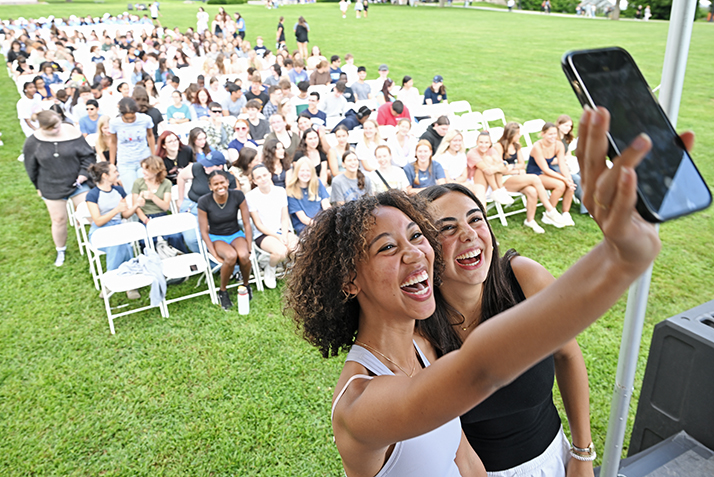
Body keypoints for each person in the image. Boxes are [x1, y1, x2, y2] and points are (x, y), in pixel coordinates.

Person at [284, 106, 671, 477]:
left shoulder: (419, 352)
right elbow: (481, 370)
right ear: (349, 280)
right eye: (387, 247)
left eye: (417, 236)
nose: (416, 253)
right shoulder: (360, 405)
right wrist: (618, 261)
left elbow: (467, 462)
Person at [421, 182, 593, 476]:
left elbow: (568, 356)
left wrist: (581, 453)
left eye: (476, 219)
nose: (469, 234)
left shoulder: (524, 279)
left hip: (553, 460)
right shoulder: (420, 324)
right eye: (447, 228)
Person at [23, 111, 95, 267]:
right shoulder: (32, 142)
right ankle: (61, 250)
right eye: (54, 128)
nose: (58, 129)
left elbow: (88, 156)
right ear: (44, 127)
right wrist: (38, 187)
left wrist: (84, 173)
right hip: (51, 186)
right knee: (59, 220)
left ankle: (98, 243)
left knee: (90, 213)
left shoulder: (72, 133)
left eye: (59, 125)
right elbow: (31, 168)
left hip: (77, 183)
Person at [492, 123, 568, 231]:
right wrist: (516, 171)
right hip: (503, 180)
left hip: (515, 177)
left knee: (532, 191)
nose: (520, 136)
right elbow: (500, 169)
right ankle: (550, 210)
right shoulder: (499, 147)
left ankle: (530, 221)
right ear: (511, 134)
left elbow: (522, 164)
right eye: (518, 134)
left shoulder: (516, 145)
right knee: (534, 178)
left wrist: (513, 168)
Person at [86, 162, 145, 300]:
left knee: (121, 242)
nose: (117, 173)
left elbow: (124, 215)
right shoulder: (93, 195)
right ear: (105, 176)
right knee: (118, 243)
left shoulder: (119, 190)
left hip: (118, 227)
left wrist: (136, 205)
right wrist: (116, 210)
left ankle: (111, 282)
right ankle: (127, 284)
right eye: (114, 171)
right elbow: (98, 220)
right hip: (100, 231)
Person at [198, 169, 252, 310]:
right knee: (231, 256)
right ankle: (223, 291)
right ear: (210, 186)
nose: (220, 186)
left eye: (222, 182)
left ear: (228, 182)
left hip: (235, 234)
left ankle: (246, 285)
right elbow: (204, 231)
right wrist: (213, 253)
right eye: (215, 184)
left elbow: (247, 223)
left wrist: (249, 245)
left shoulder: (238, 195)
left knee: (244, 255)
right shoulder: (204, 202)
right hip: (217, 237)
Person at [246, 164, 298, 288]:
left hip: (283, 230)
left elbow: (284, 217)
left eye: (265, 175)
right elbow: (258, 224)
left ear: (270, 175)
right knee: (281, 252)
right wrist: (277, 236)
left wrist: (284, 234)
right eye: (258, 177)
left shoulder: (280, 191)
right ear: (254, 181)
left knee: (298, 249)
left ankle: (295, 271)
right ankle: (270, 268)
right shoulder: (250, 197)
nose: (263, 179)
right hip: (264, 234)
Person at [131, 155, 186, 252]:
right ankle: (150, 262)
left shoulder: (166, 183)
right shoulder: (138, 183)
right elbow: (136, 207)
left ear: (156, 170)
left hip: (162, 216)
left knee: (175, 237)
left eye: (146, 169)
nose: (143, 172)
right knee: (146, 240)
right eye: (142, 168)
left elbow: (165, 207)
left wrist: (153, 197)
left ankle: (182, 258)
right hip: (145, 217)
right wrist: (145, 220)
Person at [526, 122, 577, 226]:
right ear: (543, 134)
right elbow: (544, 168)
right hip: (535, 174)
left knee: (570, 183)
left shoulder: (559, 145)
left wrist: (568, 178)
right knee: (560, 185)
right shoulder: (537, 146)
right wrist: (564, 179)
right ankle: (548, 214)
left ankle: (565, 213)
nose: (553, 137)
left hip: (547, 172)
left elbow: (562, 164)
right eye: (550, 134)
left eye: (555, 134)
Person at [109, 97, 155, 188]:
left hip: (144, 159)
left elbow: (150, 136)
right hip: (125, 162)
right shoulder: (114, 123)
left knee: (146, 188)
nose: (130, 120)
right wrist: (112, 163)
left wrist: (153, 156)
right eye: (127, 118)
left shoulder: (145, 119)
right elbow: (113, 143)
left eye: (132, 117)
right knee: (131, 190)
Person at [286, 157, 331, 235]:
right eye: (302, 170)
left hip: (322, 221)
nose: (305, 173)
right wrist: (320, 226)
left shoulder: (317, 183)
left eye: (308, 170)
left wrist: (330, 219)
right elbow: (303, 218)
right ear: (296, 172)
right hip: (305, 226)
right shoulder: (291, 190)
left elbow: (326, 205)